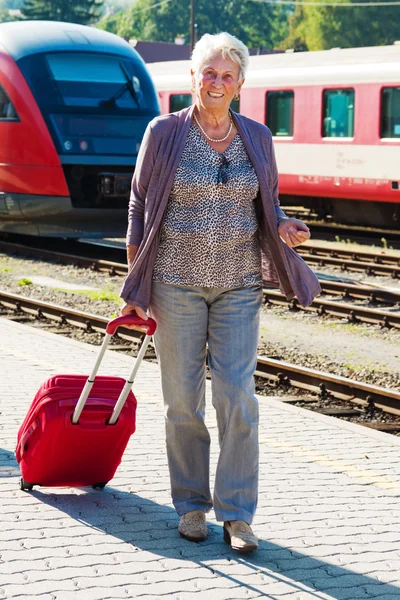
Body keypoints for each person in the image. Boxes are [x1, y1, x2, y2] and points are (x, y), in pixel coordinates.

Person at [120, 32, 321, 552]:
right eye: (208, 72)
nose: (216, 82)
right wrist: (136, 282)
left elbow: (267, 205)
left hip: (239, 284)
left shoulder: (257, 135)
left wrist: (283, 226)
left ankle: (237, 514)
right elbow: (139, 206)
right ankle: (191, 506)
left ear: (241, 84)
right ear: (193, 77)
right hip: (173, 282)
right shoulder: (163, 132)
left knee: (237, 398)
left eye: (226, 75)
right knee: (183, 401)